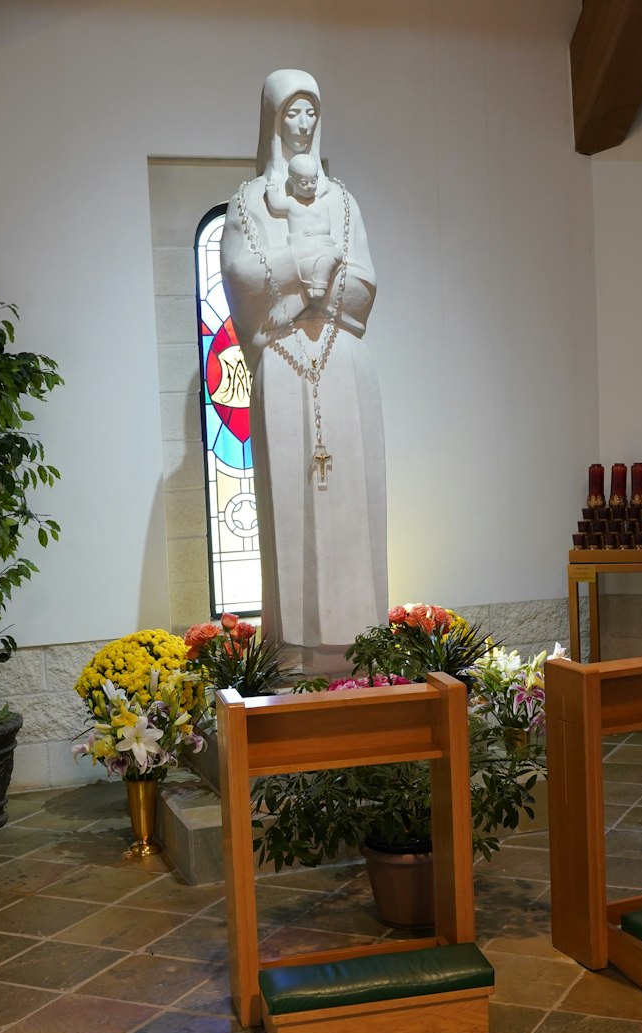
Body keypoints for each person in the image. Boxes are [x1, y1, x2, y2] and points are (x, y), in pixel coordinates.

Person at [220, 69, 386, 676]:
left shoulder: (344, 200)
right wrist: (302, 266)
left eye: (312, 111)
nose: (303, 124)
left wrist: (321, 285)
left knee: (352, 508)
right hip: (285, 368)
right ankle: (293, 651)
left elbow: (365, 285)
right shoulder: (247, 201)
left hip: (343, 365)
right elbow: (242, 276)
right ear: (272, 119)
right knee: (290, 506)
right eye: (292, 112)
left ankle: (358, 652)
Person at [264, 153, 343, 304]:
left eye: (313, 182)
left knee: (330, 256)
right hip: (299, 245)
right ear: (293, 181)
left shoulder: (320, 204)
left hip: (320, 242)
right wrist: (271, 191)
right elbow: (275, 207)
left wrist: (314, 231)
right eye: (304, 183)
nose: (309, 187)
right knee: (304, 263)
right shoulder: (291, 203)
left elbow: (326, 226)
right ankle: (310, 285)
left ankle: (320, 283)